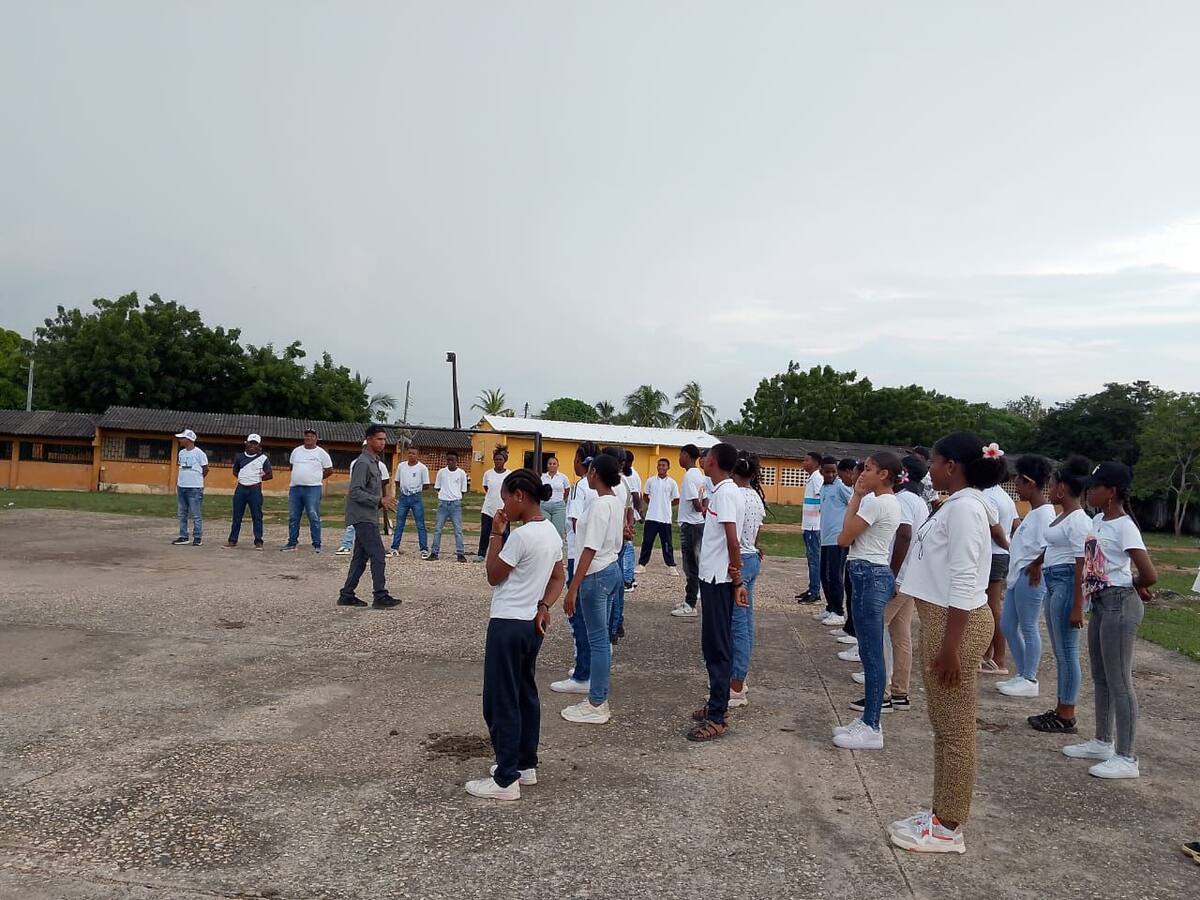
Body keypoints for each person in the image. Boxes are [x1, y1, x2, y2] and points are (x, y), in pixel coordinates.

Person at [887, 431, 1005, 855]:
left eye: (934, 461)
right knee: (944, 727)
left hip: (956, 625)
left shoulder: (967, 509)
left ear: (951, 466)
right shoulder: (956, 504)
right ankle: (940, 813)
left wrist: (951, 648)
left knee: (955, 731)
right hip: (943, 621)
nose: (929, 468)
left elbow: (964, 578)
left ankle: (949, 826)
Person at [465, 469, 565, 802]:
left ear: (520, 496)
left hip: (507, 624)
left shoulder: (521, 536)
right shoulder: (551, 532)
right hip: (531, 625)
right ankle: (524, 764)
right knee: (524, 695)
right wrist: (544, 606)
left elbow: (493, 575)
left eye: (506, 498)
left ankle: (506, 779)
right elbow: (558, 577)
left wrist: (496, 533)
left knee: (500, 700)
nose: (504, 505)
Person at [1062, 462, 1158, 779]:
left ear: (1111, 491)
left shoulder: (1125, 526)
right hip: (1102, 603)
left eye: (1096, 487)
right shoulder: (1099, 520)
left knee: (1120, 681)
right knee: (1101, 676)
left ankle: (1127, 757)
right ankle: (1102, 741)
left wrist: (1134, 583)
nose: (1089, 491)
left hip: (1120, 603)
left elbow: (1150, 574)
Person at [832, 452, 902, 750]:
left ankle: (872, 724)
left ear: (884, 474)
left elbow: (844, 538)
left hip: (868, 575)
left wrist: (856, 497)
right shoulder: (888, 501)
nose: (862, 473)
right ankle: (868, 720)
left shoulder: (876, 502)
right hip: (871, 573)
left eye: (869, 469)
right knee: (870, 652)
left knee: (872, 655)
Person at [686, 442, 748, 742]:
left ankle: (718, 716)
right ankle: (715, 702)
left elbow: (733, 542)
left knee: (717, 647)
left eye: (707, 455)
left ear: (715, 462)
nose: (703, 458)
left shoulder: (725, 493)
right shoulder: (721, 490)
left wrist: (737, 581)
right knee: (712, 645)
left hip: (719, 580)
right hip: (712, 577)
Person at [1027, 455, 1092, 733]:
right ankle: (1060, 708)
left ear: (1062, 488)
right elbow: (1055, 547)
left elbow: (1082, 563)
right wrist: (1037, 562)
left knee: (1067, 651)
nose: (1049, 490)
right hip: (1055, 582)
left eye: (1052, 485)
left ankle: (1066, 714)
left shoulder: (1078, 520)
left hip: (1067, 584)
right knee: (1061, 651)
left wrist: (1078, 605)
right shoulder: (1063, 517)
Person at [559, 452, 624, 725]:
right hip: (610, 569)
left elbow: (589, 548)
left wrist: (573, 587)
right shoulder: (614, 501)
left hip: (596, 574)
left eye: (590, 469)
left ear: (595, 472)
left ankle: (597, 703)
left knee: (597, 642)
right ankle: (598, 697)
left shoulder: (599, 505)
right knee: (602, 641)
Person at [996, 454, 1056, 699]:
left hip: (1030, 576)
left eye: (1018, 483)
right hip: (1018, 575)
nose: (1016, 488)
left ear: (1030, 483)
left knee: (1029, 626)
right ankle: (1022, 673)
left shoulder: (1045, 514)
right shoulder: (1034, 512)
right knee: (1008, 625)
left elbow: (1051, 545)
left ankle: (1030, 678)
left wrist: (1037, 565)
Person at [877, 455, 931, 711]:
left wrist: (891, 573)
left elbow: (905, 533)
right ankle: (900, 691)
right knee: (901, 634)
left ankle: (882, 693)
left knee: (875, 630)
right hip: (911, 576)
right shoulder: (919, 501)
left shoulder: (903, 500)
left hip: (899, 577)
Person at [552, 442, 600, 696]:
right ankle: (588, 667)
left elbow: (575, 522)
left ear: (580, 460)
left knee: (578, 615)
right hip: (597, 557)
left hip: (579, 555)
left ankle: (583, 674)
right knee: (592, 617)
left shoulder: (581, 486)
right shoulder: (604, 486)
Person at [337, 425, 399, 609]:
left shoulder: (375, 463)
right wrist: (379, 500)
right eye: (379, 439)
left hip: (369, 515)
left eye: (384, 439)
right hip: (362, 516)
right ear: (369, 440)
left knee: (360, 557)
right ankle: (380, 595)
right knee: (378, 554)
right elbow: (355, 492)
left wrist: (382, 502)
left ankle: (347, 594)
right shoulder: (363, 463)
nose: (383, 443)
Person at [729, 452, 765, 709]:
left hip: (738, 560)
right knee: (745, 620)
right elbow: (757, 531)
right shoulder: (755, 496)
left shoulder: (733, 496)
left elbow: (731, 535)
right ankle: (740, 676)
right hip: (751, 556)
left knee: (737, 624)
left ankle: (736, 684)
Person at [980, 462, 1018, 673]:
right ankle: (988, 655)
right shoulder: (1005, 497)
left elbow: (994, 529)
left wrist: (1005, 545)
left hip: (993, 554)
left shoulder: (987, 496)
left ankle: (998, 658)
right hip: (1001, 555)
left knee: (991, 606)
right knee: (991, 606)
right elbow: (1016, 524)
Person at [671, 444, 707, 618]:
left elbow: (696, 502)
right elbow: (705, 498)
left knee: (690, 566)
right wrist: (704, 511)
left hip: (691, 525)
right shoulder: (699, 475)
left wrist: (701, 510)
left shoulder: (689, 476)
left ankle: (690, 604)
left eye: (680, 455)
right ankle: (690, 599)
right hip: (697, 524)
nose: (679, 458)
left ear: (686, 455)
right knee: (694, 563)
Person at [818, 458, 854, 628]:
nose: (831, 475)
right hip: (825, 538)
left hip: (837, 538)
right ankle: (830, 606)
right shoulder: (823, 487)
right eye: (827, 471)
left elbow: (854, 503)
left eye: (833, 471)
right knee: (824, 574)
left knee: (835, 575)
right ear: (821, 471)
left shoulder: (841, 487)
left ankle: (838, 612)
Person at [284, 429, 334, 553]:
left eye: (312, 436)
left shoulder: (321, 453)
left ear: (316, 438)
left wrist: (316, 477)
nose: (309, 438)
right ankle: (292, 542)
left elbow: (329, 470)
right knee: (293, 516)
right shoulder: (296, 451)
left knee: (313, 515)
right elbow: (292, 467)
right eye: (307, 436)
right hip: (295, 488)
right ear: (304, 437)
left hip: (313, 488)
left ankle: (317, 544)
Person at [336, 445, 391, 555]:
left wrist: (381, 498)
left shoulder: (380, 465)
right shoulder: (358, 463)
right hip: (361, 499)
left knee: (371, 527)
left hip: (373, 500)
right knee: (356, 523)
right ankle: (347, 544)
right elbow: (355, 485)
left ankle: (373, 548)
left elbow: (385, 481)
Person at [223, 433, 272, 550]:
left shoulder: (263, 458)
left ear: (259, 446)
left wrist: (256, 479)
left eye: (255, 444)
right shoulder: (239, 457)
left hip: (255, 490)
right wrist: (244, 479)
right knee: (237, 516)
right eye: (251, 443)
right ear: (246, 443)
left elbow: (269, 474)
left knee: (257, 516)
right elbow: (235, 471)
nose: (252, 446)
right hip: (241, 489)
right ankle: (232, 540)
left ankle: (258, 541)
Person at [637, 458, 680, 574]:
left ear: (668, 467)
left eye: (663, 465)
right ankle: (642, 564)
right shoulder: (650, 481)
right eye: (659, 465)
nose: (661, 467)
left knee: (667, 543)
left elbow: (676, 499)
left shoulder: (672, 483)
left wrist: (667, 504)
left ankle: (671, 566)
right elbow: (645, 495)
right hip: (651, 516)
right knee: (647, 541)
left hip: (665, 518)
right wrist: (653, 503)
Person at [388, 447, 431, 558]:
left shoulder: (422, 468)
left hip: (416, 498)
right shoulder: (401, 466)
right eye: (409, 453)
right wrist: (405, 489)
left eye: (413, 453)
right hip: (403, 498)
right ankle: (394, 548)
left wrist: (415, 489)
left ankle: (424, 549)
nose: (411, 455)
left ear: (417, 455)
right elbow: (397, 481)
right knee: (399, 524)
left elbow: (426, 485)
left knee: (420, 524)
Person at [429, 451, 469, 562]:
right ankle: (434, 552)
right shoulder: (441, 472)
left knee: (458, 530)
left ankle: (460, 553)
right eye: (448, 460)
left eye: (452, 460)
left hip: (455, 504)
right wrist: (444, 496)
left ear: (457, 461)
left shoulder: (461, 473)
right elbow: (437, 487)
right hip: (443, 504)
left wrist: (454, 497)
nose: (450, 462)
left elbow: (463, 490)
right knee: (438, 529)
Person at [796, 451, 824, 604]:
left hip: (814, 526)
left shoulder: (817, 478)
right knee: (810, 559)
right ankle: (811, 588)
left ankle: (815, 592)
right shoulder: (811, 478)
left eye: (807, 460)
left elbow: (822, 498)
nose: (804, 463)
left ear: (816, 463)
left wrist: (819, 517)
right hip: (808, 525)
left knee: (814, 559)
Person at [172, 429, 208, 546]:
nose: (179, 440)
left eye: (182, 438)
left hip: (195, 488)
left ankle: (197, 537)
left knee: (196, 514)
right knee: (182, 513)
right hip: (182, 486)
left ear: (189, 440)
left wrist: (197, 479)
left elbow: (205, 469)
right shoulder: (181, 453)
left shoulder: (199, 453)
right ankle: (183, 536)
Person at [476, 448, 510, 561]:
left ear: (505, 460)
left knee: (504, 533)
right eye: (496, 459)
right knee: (485, 532)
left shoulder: (509, 474)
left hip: (503, 509)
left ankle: (504, 556)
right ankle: (481, 554)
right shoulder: (488, 473)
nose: (498, 461)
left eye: (500, 459)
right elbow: (486, 488)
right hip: (488, 508)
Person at [620, 450, 642, 592]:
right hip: (628, 513)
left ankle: (627, 580)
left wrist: (638, 512)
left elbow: (635, 495)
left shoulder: (630, 475)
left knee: (627, 546)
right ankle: (629, 577)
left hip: (628, 514)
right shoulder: (630, 474)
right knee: (626, 546)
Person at [540, 456, 571, 544]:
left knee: (558, 530)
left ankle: (557, 548)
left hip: (558, 507)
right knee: (545, 530)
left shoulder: (563, 477)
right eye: (550, 464)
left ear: (558, 465)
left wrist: (562, 499)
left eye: (554, 464)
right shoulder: (543, 477)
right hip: (545, 506)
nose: (552, 465)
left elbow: (567, 489)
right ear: (547, 465)